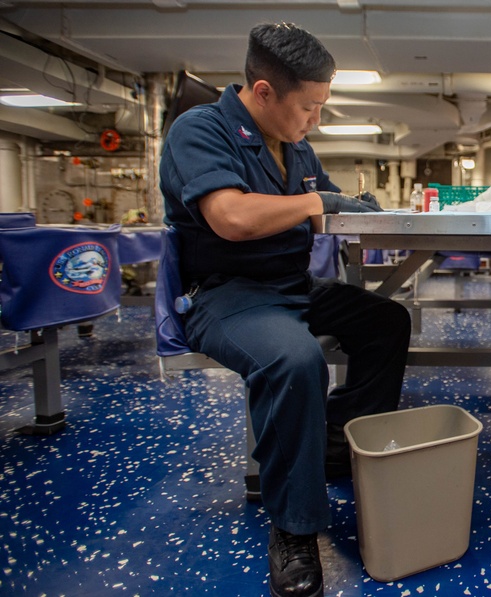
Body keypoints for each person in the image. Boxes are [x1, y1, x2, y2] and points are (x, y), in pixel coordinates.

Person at [159, 23, 411, 597]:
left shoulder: (296, 144)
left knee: (385, 321)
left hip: (290, 285)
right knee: (296, 361)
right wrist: (320, 200)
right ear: (265, 92)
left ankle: (331, 447)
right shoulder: (199, 130)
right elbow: (232, 218)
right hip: (226, 294)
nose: (315, 120)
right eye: (309, 107)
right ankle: (294, 528)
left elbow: (324, 214)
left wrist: (365, 214)